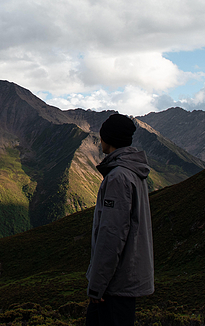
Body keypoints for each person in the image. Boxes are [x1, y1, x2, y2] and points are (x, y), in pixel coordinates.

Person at [86, 113, 154, 326]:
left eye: (102, 135)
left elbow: (112, 235)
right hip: (123, 281)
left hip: (113, 286)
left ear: (108, 138)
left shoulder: (118, 178)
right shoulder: (133, 172)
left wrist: (97, 285)